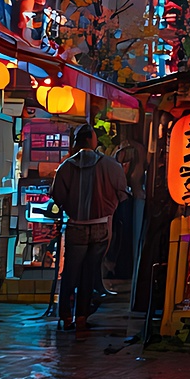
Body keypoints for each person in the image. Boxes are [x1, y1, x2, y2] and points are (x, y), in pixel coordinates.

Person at [48, 125, 126, 334]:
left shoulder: (65, 167)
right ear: (92, 140)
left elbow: (58, 197)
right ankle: (81, 317)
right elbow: (122, 193)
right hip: (101, 226)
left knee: (70, 273)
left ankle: (66, 316)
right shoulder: (112, 166)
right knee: (90, 273)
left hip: (75, 226)